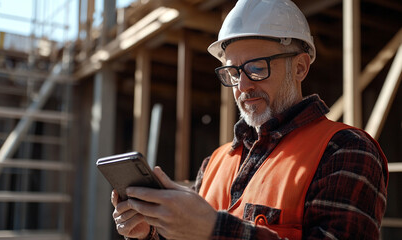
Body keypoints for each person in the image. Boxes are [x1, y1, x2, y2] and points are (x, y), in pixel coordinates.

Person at [111, 0, 389, 239]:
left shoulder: (345, 150)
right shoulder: (215, 163)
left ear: (300, 67)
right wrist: (152, 231)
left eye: (257, 68)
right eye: (233, 72)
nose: (242, 85)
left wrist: (212, 230)